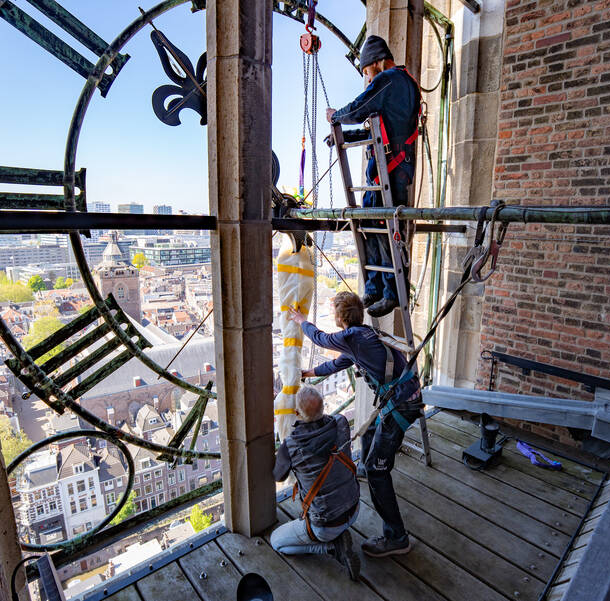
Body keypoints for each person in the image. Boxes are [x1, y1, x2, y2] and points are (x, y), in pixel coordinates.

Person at [288, 292, 423, 557]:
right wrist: (310, 373)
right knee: (370, 431)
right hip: (406, 399)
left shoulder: (351, 338)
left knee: (377, 471)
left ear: (340, 318)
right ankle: (367, 465)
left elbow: (320, 339)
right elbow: (339, 363)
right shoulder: (363, 336)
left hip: (401, 405)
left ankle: (396, 537)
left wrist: (301, 320)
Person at [326, 35, 421, 318]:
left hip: (390, 171)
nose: (368, 80)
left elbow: (357, 109)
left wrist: (335, 117)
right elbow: (377, 131)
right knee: (371, 223)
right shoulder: (404, 85)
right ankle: (376, 287)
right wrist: (344, 137)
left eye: (367, 73)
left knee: (384, 228)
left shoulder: (390, 79)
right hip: (388, 170)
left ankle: (390, 292)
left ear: (377, 63)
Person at [270, 385, 361, 580]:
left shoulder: (292, 445)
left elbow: (278, 476)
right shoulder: (341, 423)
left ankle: (333, 548)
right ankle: (338, 539)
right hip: (354, 508)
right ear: (323, 406)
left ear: (296, 413)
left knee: (276, 541)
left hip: (325, 525)